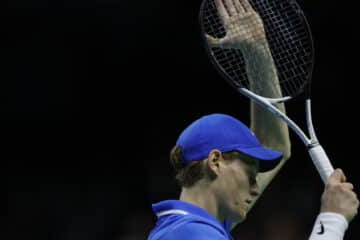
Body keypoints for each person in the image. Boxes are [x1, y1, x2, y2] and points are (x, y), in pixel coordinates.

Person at [147, 0, 359, 239]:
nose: (256, 187)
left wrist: (257, 52)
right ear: (215, 161)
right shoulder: (191, 233)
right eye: (249, 176)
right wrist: (332, 219)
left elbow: (274, 144)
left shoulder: (188, 228)